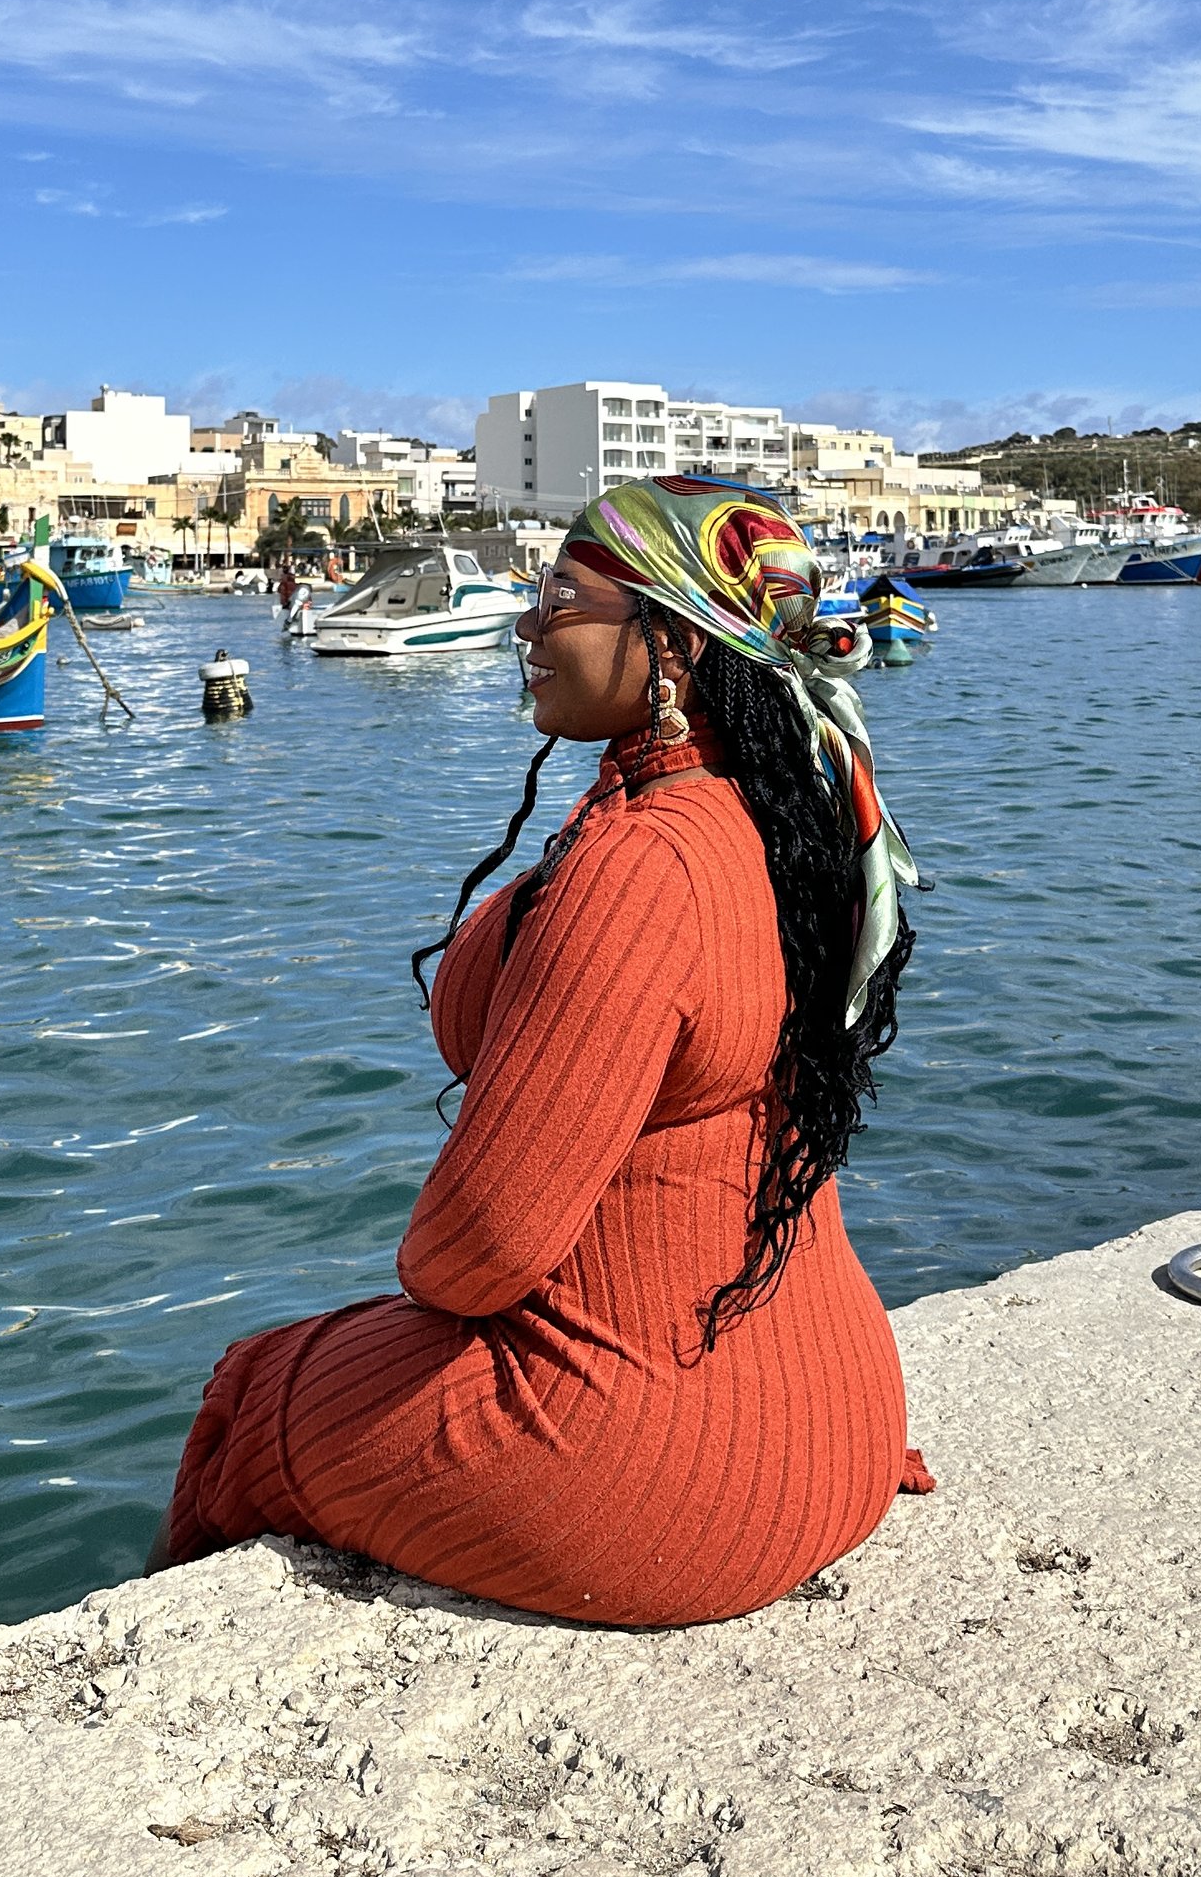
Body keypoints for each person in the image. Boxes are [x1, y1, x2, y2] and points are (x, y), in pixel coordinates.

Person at [151, 475, 932, 1627]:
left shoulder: (641, 863)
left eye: (558, 598)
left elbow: (478, 1255)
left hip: (662, 1479)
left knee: (251, 1390)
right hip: (832, 1411)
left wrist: (416, 1286)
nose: (525, 625)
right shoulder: (781, 817)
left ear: (669, 640)